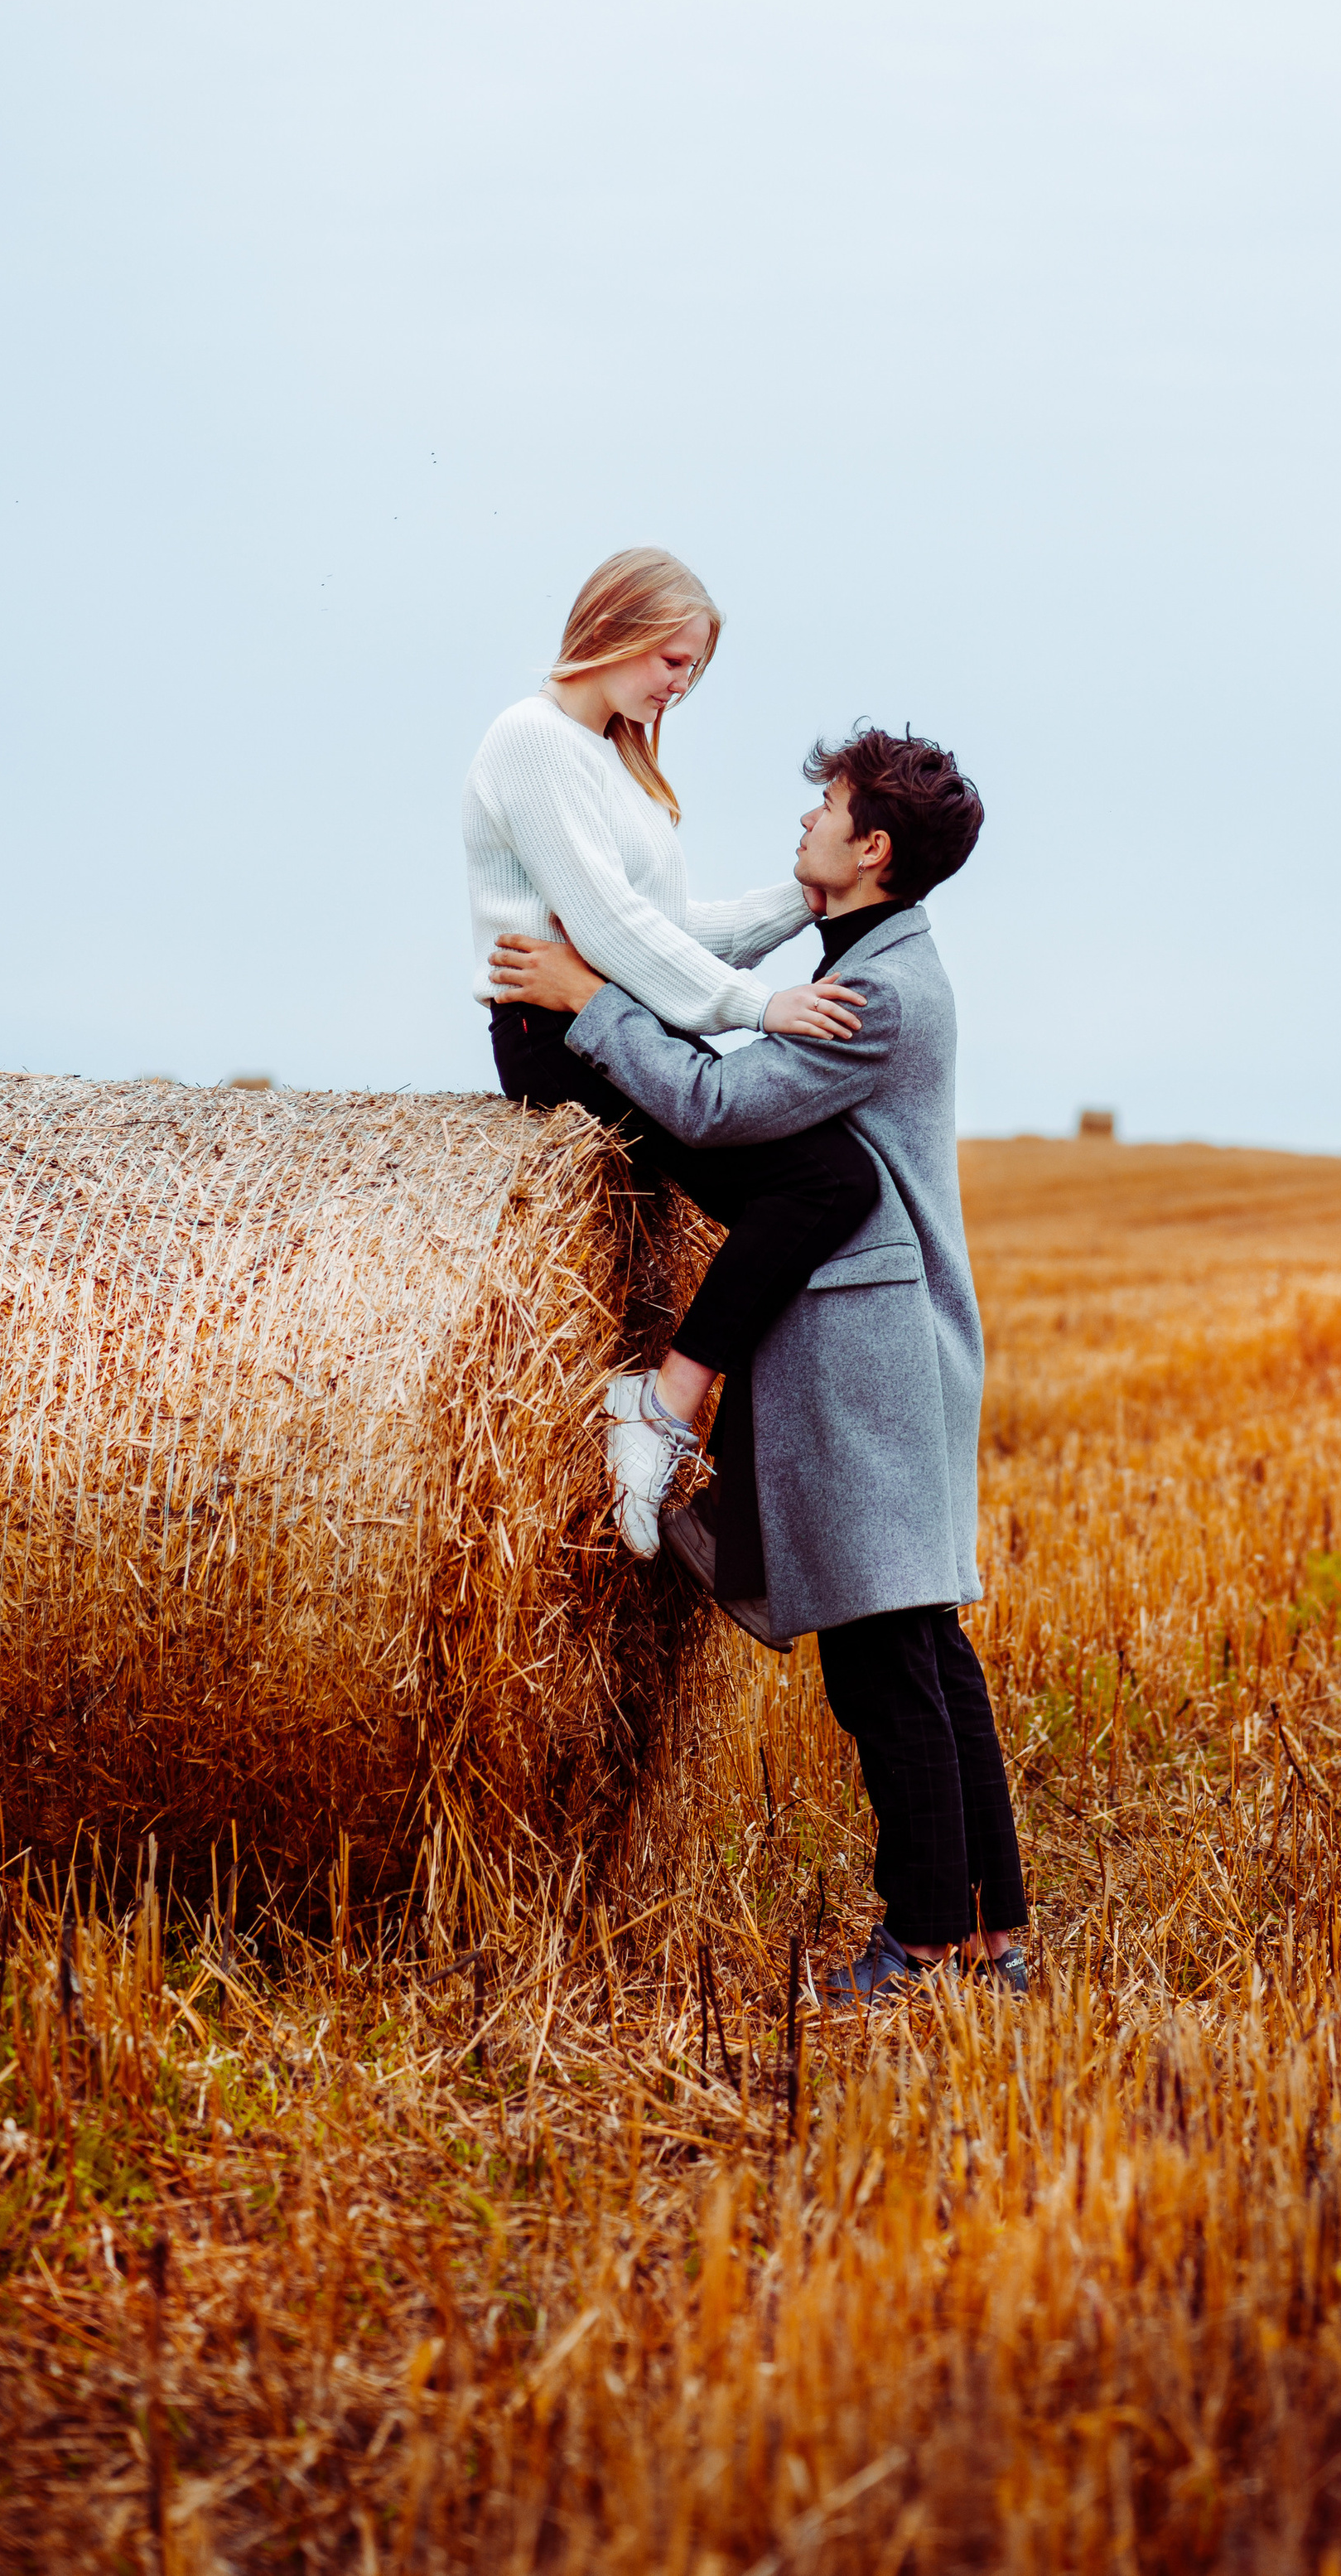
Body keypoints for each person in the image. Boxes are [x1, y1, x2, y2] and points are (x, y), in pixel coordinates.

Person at [488, 729, 1028, 2003]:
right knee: (924, 1648)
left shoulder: (880, 988)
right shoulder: (874, 956)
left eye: (825, 809)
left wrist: (586, 1004)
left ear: (872, 847)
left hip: (868, 1344)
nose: (805, 827)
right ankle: (993, 1937)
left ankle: (925, 1943)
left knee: (884, 1659)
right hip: (887, 1338)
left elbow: (724, 1109)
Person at [465, 549, 880, 1556]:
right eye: (674, 662)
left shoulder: (607, 758)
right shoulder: (532, 740)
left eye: (692, 671)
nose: (679, 687)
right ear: (618, 626)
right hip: (560, 1035)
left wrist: (803, 896)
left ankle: (694, 1421)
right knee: (823, 1185)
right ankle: (660, 1406)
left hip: (618, 1021)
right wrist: (758, 1007)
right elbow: (607, 932)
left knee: (821, 1189)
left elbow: (668, 930)